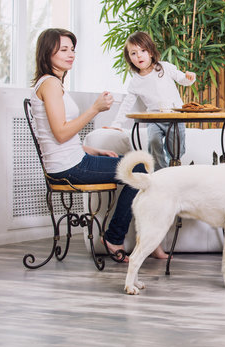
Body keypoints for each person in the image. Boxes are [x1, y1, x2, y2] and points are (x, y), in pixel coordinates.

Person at [30, 28, 168, 260]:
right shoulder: (50, 85)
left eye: (72, 49)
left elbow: (55, 139)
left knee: (137, 168)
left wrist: (93, 150)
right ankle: (115, 237)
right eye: (63, 49)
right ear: (47, 52)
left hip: (74, 160)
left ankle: (138, 239)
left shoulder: (52, 84)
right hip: (68, 168)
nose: (71, 54)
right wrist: (95, 109)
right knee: (140, 170)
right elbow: (62, 134)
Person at [109, 31, 196, 171]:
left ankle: (173, 168)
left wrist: (189, 78)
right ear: (129, 58)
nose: (139, 55)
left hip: (175, 116)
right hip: (154, 118)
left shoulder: (164, 67)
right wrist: (116, 123)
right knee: (153, 142)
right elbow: (127, 104)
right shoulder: (135, 82)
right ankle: (160, 172)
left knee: (176, 150)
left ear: (150, 52)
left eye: (143, 50)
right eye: (133, 53)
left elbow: (182, 79)